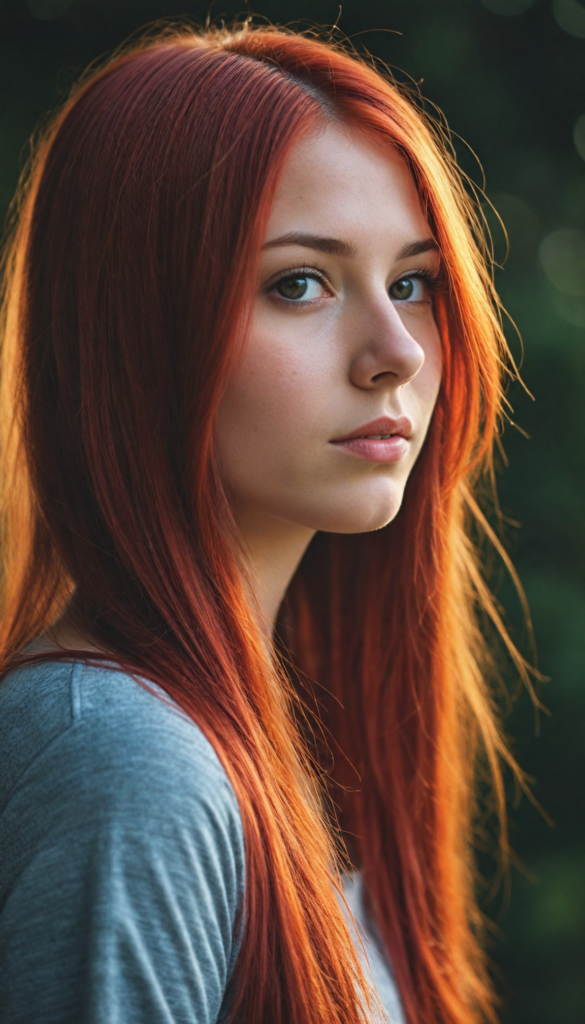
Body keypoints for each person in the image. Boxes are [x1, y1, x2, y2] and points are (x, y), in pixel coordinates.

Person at [0, 22, 528, 1024]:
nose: (396, 352)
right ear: (138, 327)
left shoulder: (284, 747)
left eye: (412, 282)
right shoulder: (119, 760)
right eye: (300, 283)